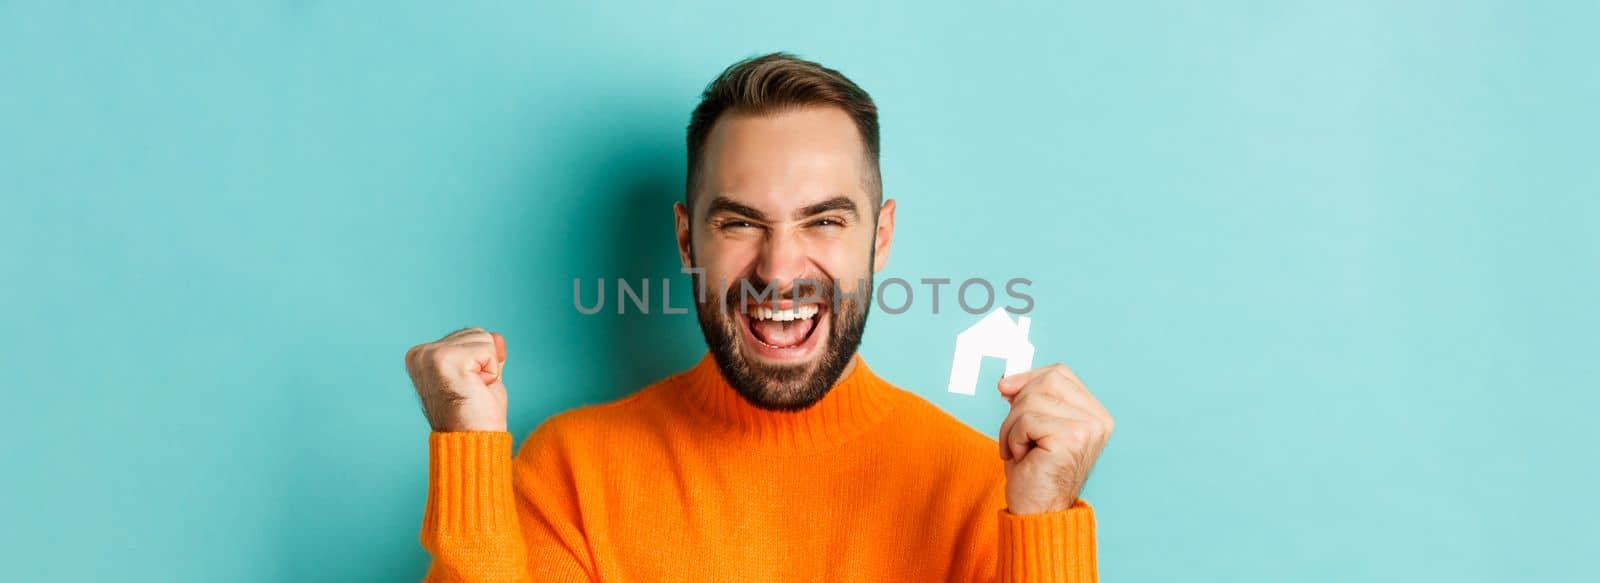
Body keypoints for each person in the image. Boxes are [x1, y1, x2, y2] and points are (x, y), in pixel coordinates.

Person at [403, 52, 1114, 582]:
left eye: (825, 220)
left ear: (882, 237)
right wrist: (470, 455)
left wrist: (1044, 526)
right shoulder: (572, 476)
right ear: (687, 239)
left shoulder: (982, 493)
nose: (779, 270)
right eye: (741, 222)